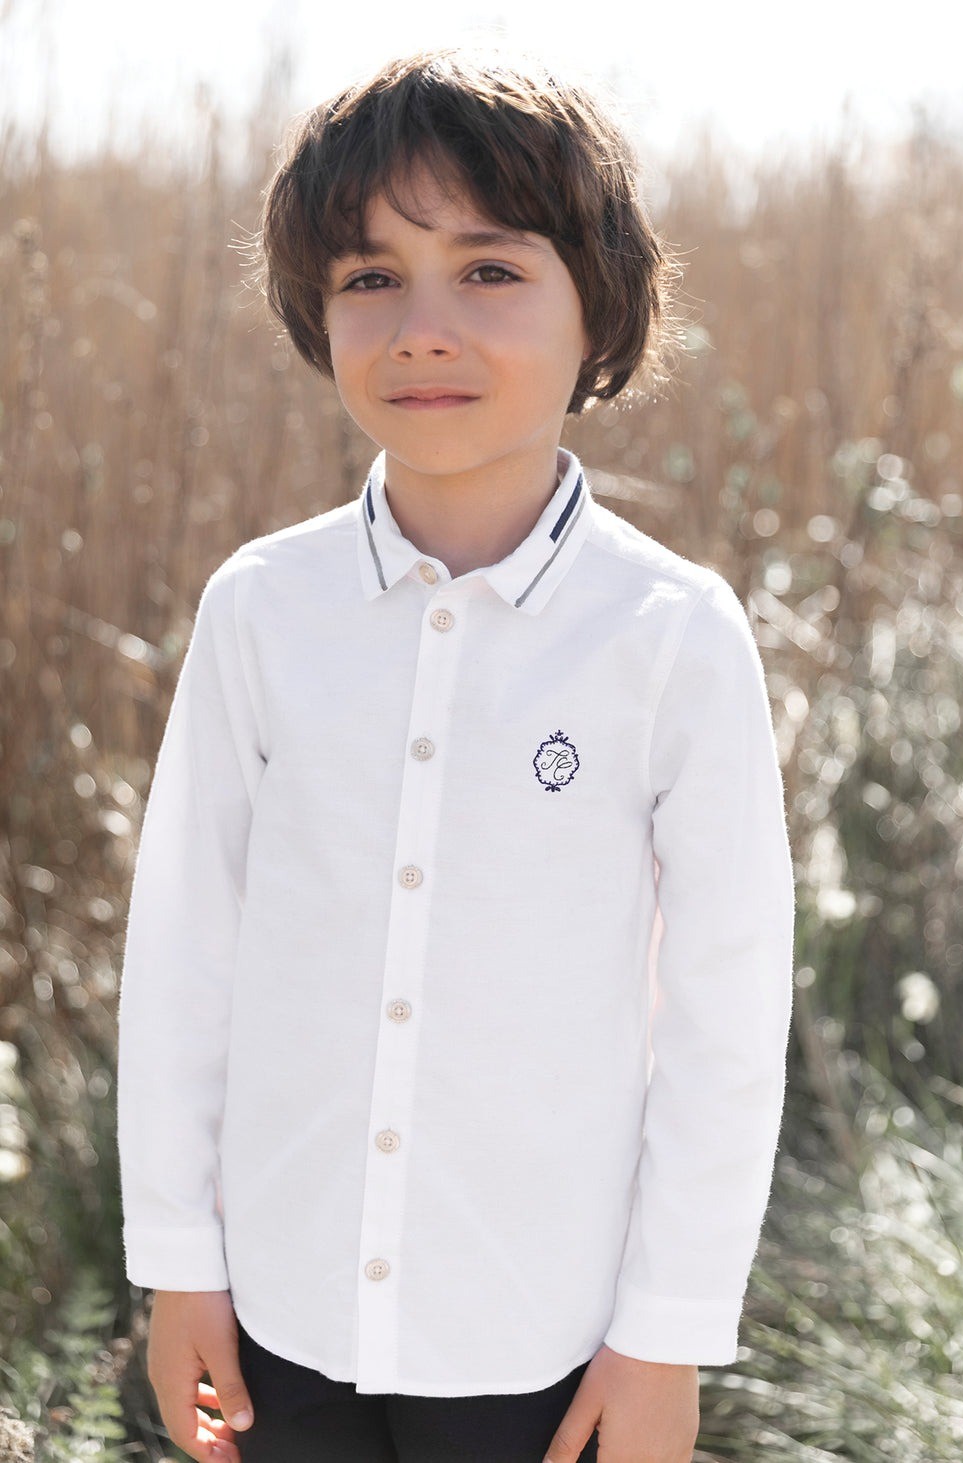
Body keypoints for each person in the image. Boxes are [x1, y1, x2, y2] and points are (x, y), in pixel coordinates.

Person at [115, 44, 796, 1463]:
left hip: (544, 1340)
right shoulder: (262, 607)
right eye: (371, 277)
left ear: (598, 309)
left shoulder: (671, 632)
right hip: (282, 1317)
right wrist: (178, 1260)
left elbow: (724, 1019)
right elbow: (185, 952)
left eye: (489, 270)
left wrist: (666, 1336)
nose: (423, 330)